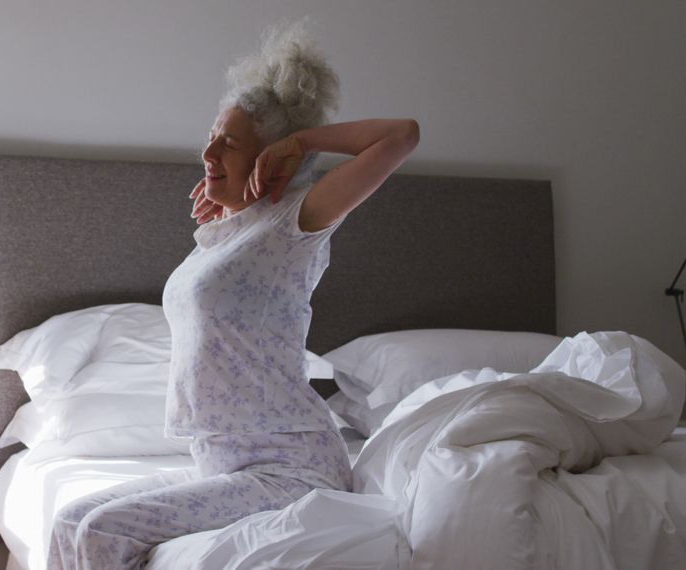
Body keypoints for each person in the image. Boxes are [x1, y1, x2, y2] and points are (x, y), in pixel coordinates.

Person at [47, 20, 418, 570]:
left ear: (270, 156)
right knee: (69, 522)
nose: (208, 152)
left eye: (229, 142)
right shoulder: (230, 231)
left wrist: (303, 142)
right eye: (211, 137)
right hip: (221, 465)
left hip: (291, 467)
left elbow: (401, 136)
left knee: (102, 532)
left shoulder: (299, 219)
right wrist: (225, 217)